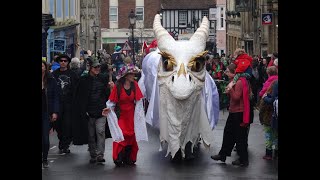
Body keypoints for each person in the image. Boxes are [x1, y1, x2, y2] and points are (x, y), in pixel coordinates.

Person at [102, 63, 147, 166]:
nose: (133, 76)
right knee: (121, 134)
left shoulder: (134, 85)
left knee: (131, 136)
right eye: (131, 74)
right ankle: (118, 157)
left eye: (134, 74)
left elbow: (139, 101)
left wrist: (140, 116)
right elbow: (112, 101)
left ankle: (129, 158)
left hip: (131, 115)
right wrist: (108, 109)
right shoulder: (118, 86)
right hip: (121, 115)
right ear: (126, 75)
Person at [72, 57, 112, 164]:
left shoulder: (103, 79)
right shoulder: (84, 80)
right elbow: (79, 96)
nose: (97, 68)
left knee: (100, 132)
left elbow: (108, 94)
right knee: (90, 134)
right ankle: (93, 154)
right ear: (90, 68)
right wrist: (82, 110)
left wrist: (110, 88)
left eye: (98, 66)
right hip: (89, 112)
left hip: (101, 111)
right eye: (95, 67)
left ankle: (100, 154)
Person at [211, 63, 251, 167]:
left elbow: (237, 97)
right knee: (228, 133)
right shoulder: (235, 81)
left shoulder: (239, 82)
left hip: (239, 112)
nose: (226, 73)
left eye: (228, 71)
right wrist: (229, 91)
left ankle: (243, 160)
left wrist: (230, 90)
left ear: (234, 73)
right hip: (234, 111)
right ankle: (223, 154)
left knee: (240, 137)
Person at [52, 54, 79, 154]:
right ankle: (62, 140)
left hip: (69, 103)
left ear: (68, 62)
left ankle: (65, 144)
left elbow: (77, 89)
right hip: (57, 103)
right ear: (59, 62)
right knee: (58, 124)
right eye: (61, 61)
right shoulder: (54, 74)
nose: (63, 62)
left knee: (67, 124)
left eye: (65, 61)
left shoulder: (72, 74)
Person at [42, 60, 59, 168]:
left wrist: (55, 112)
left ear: (46, 67)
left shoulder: (51, 80)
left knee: (45, 138)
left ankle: (44, 159)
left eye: (42, 66)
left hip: (45, 112)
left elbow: (56, 97)